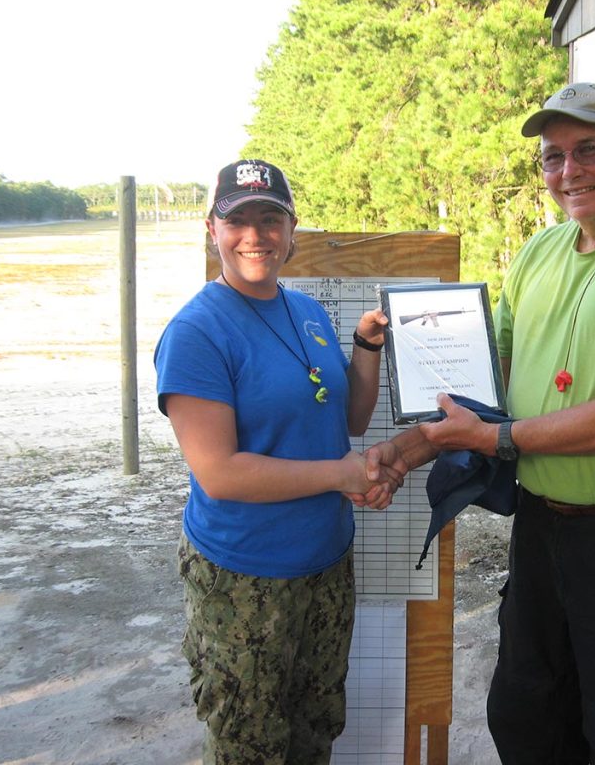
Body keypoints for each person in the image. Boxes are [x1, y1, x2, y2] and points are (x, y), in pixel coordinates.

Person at [368, 82, 595, 764]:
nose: (569, 172)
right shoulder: (541, 253)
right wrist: (408, 448)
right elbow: (490, 385)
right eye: (553, 158)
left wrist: (496, 440)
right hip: (543, 527)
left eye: (587, 150)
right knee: (527, 715)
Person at [154, 158, 397, 764]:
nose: (255, 235)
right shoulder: (197, 332)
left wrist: (366, 346)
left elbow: (349, 420)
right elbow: (221, 471)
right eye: (239, 220)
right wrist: (342, 475)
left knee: (315, 730)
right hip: (244, 580)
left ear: (292, 231)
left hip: (325, 568)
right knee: (250, 746)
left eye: (270, 218)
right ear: (212, 230)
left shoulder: (308, 312)